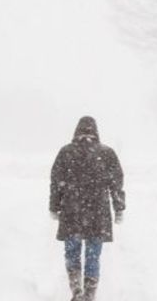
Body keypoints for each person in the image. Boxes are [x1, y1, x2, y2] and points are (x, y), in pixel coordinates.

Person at [49, 116, 126, 301]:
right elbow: (117, 183)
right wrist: (119, 208)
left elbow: (56, 182)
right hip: (97, 213)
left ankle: (76, 290)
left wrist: (54, 206)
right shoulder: (107, 153)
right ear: (96, 131)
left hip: (71, 211)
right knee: (93, 255)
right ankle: (89, 294)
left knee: (72, 253)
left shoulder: (66, 152)